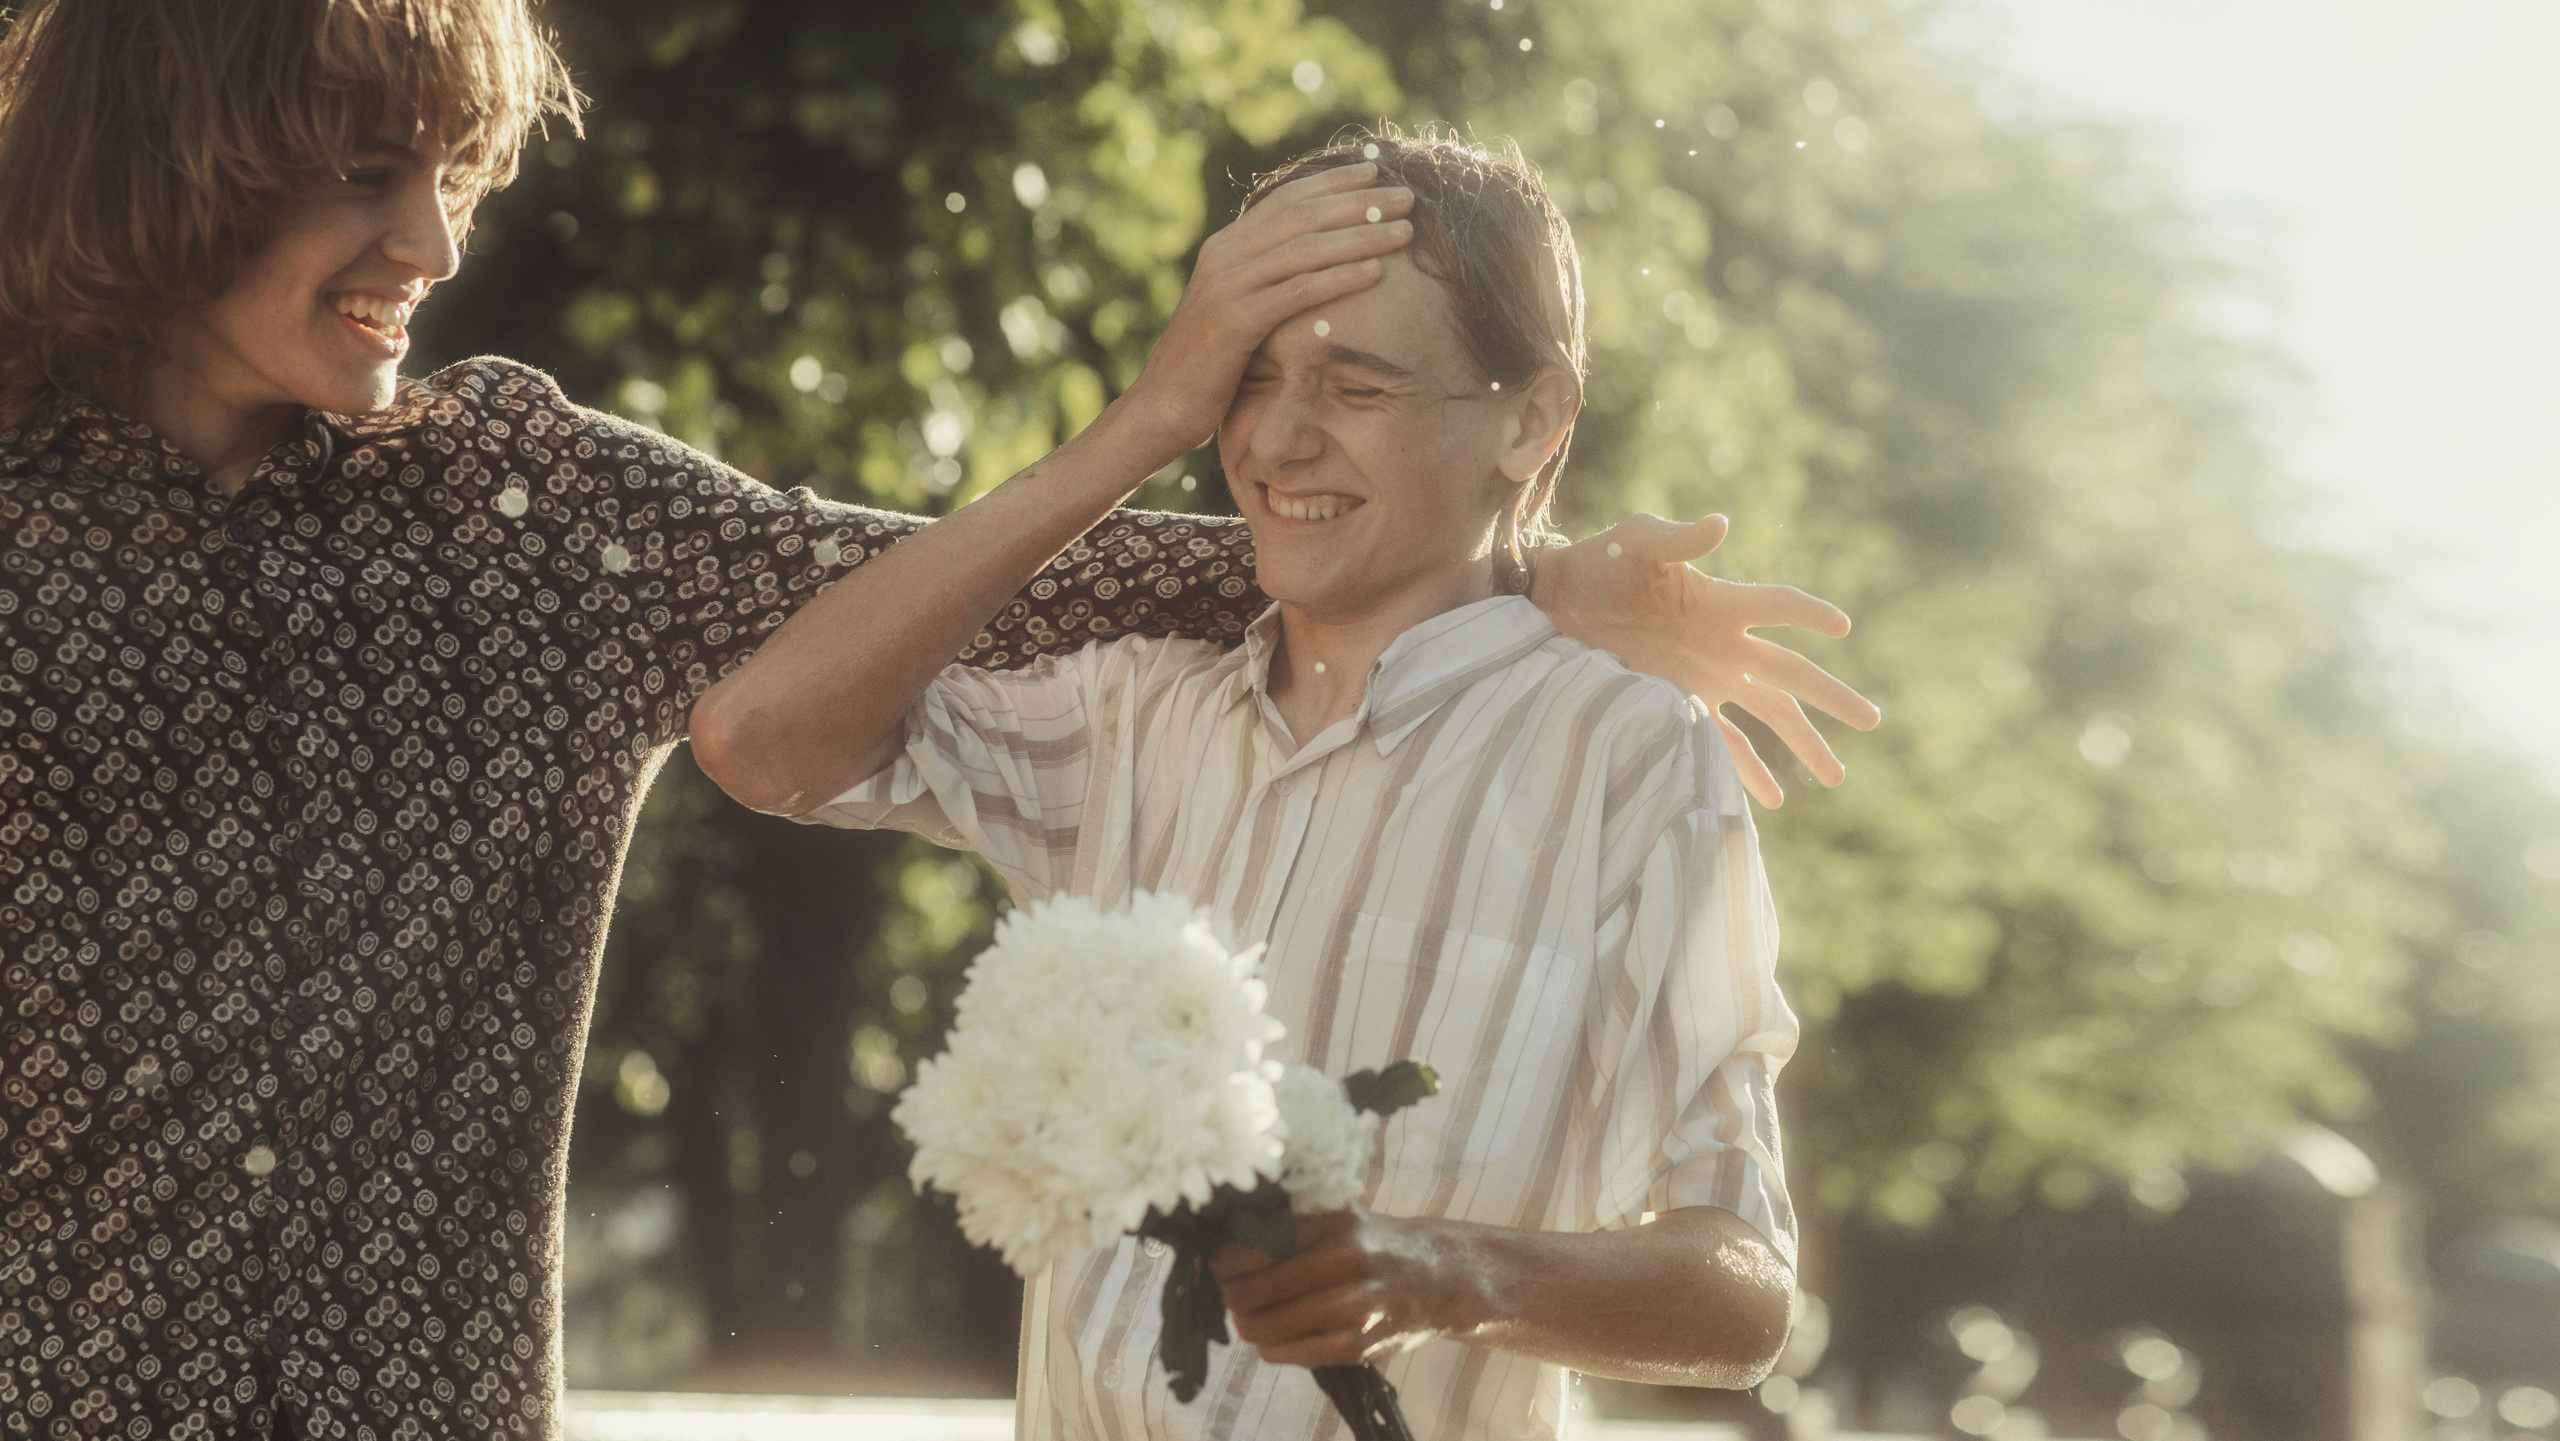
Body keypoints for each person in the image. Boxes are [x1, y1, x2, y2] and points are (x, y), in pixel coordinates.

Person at [0, 4, 1874, 1439]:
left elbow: (919, 591)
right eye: (365, 171)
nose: (433, 237)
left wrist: (1510, 576)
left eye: (455, 179)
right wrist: (1504, 564)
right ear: (183, 156)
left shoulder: (526, 504)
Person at [695, 130, 1833, 1441]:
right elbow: (759, 739)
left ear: (1532, 418)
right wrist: (1148, 418)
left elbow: (1742, 1292)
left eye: (1356, 386)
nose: (1278, 440)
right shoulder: (1123, 714)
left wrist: (1441, 1271)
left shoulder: (1629, 758)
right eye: (1250, 378)